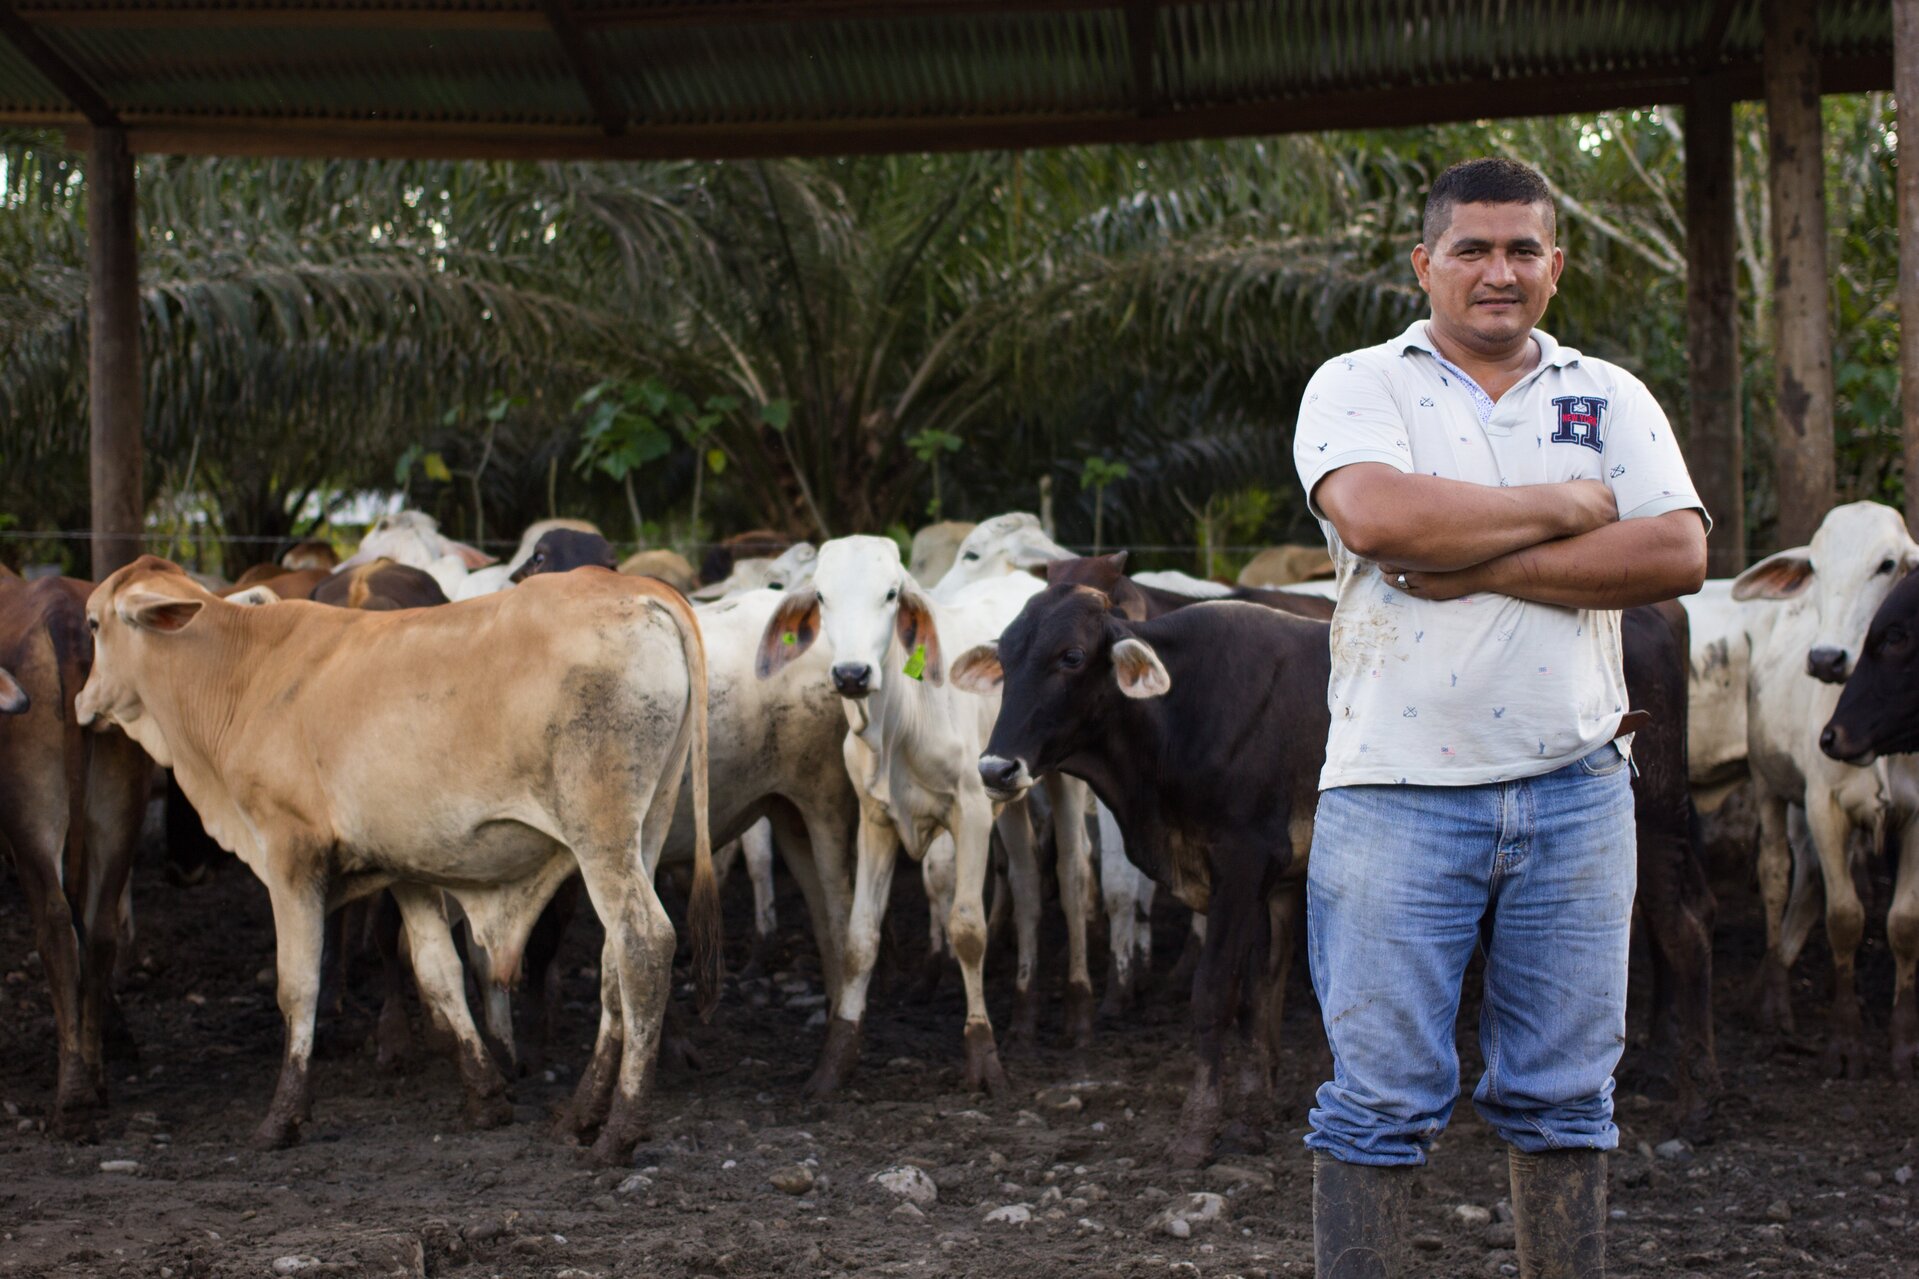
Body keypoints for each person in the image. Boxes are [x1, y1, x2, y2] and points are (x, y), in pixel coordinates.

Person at [1291, 157, 1708, 1278]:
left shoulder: (1606, 393)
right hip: (1391, 795)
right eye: (1470, 249)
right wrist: (1569, 509)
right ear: (1422, 262)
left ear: (1554, 266)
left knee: (1568, 1095)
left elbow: (1675, 549)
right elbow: (1377, 515)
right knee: (1376, 1095)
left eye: (1521, 249)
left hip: (1575, 788)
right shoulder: (1358, 383)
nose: (1497, 272)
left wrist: (1479, 565)